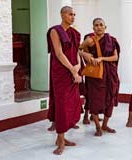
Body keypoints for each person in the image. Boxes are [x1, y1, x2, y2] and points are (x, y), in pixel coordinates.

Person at [47, 6, 82, 155]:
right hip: (61, 72)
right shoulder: (55, 31)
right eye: (69, 14)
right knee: (61, 104)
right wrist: (73, 70)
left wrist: (79, 65)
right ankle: (60, 140)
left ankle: (63, 137)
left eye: (74, 14)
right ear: (62, 15)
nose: (72, 17)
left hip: (73, 70)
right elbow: (59, 54)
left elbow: (77, 51)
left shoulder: (75, 33)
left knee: (71, 103)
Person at [79, 18, 120, 136]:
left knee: (110, 98)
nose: (99, 27)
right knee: (95, 99)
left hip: (110, 73)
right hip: (95, 74)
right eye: (96, 25)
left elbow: (115, 57)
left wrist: (101, 58)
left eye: (101, 25)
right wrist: (85, 54)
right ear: (93, 28)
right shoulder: (89, 40)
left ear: (105, 27)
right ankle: (97, 127)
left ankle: (105, 125)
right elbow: (77, 50)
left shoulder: (111, 40)